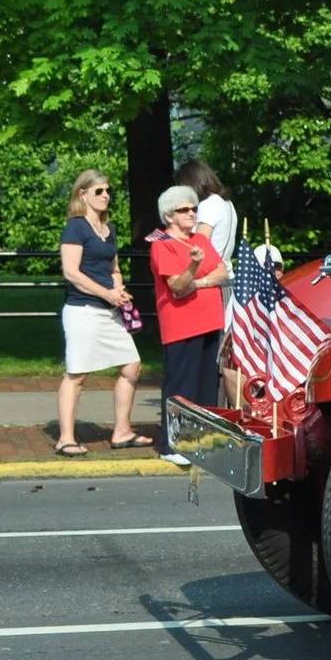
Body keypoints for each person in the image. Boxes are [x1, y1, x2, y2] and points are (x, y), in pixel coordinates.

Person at [55, 169, 148, 454]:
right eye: (99, 191)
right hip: (83, 309)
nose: (106, 195)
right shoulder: (76, 227)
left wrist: (118, 290)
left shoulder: (109, 229)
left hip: (109, 310)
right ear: (82, 194)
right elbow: (71, 272)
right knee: (77, 374)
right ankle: (65, 439)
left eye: (108, 191)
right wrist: (106, 293)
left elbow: (114, 268)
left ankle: (121, 431)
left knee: (132, 365)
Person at [148, 184, 227, 467]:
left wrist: (199, 282)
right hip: (181, 324)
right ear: (169, 215)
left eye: (193, 208)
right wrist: (193, 268)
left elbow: (222, 272)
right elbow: (177, 287)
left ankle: (200, 441)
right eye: (184, 210)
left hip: (209, 321)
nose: (191, 214)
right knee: (181, 384)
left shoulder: (200, 241)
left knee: (206, 385)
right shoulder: (163, 245)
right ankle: (173, 444)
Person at [176, 160, 242, 405]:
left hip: (211, 281)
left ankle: (210, 408)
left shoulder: (207, 206)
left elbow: (200, 244)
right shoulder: (227, 204)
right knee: (224, 353)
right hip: (227, 281)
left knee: (212, 355)